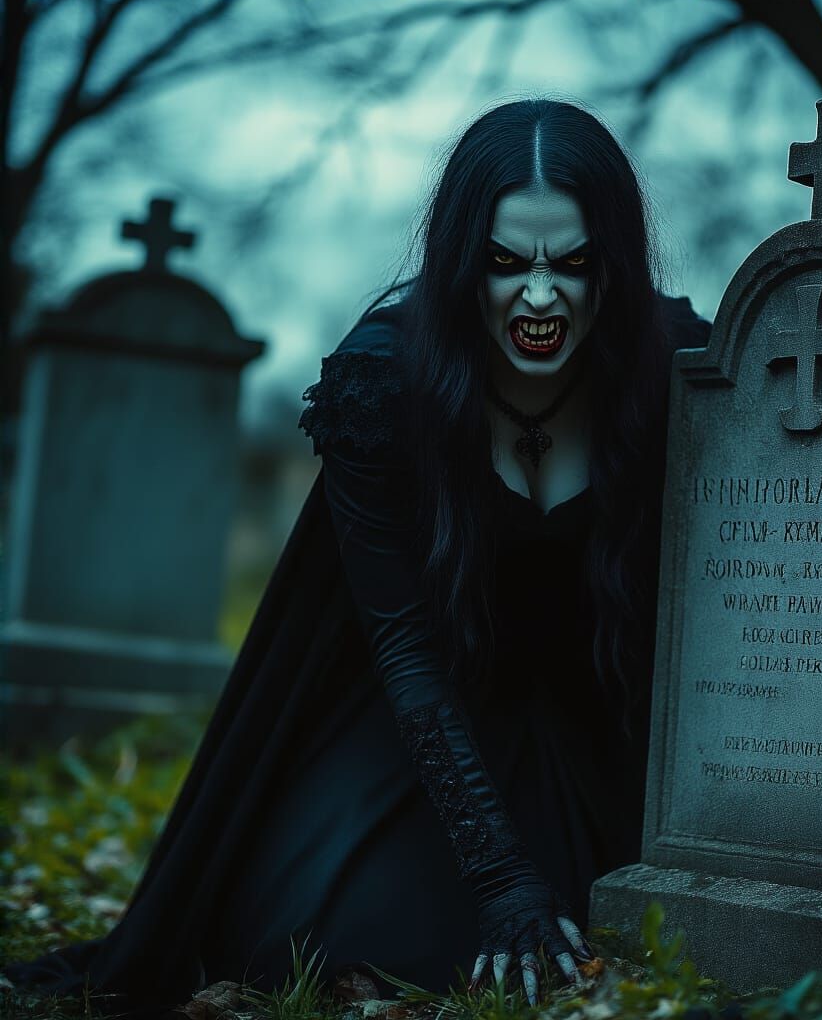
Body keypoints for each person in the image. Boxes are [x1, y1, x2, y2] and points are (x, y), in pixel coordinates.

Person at [2, 98, 710, 1018]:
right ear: (463, 259)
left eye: (574, 263)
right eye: (506, 264)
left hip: (600, 723)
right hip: (419, 720)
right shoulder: (382, 381)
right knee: (360, 931)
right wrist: (501, 881)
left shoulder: (678, 363)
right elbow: (406, 650)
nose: (541, 298)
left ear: (613, 260)